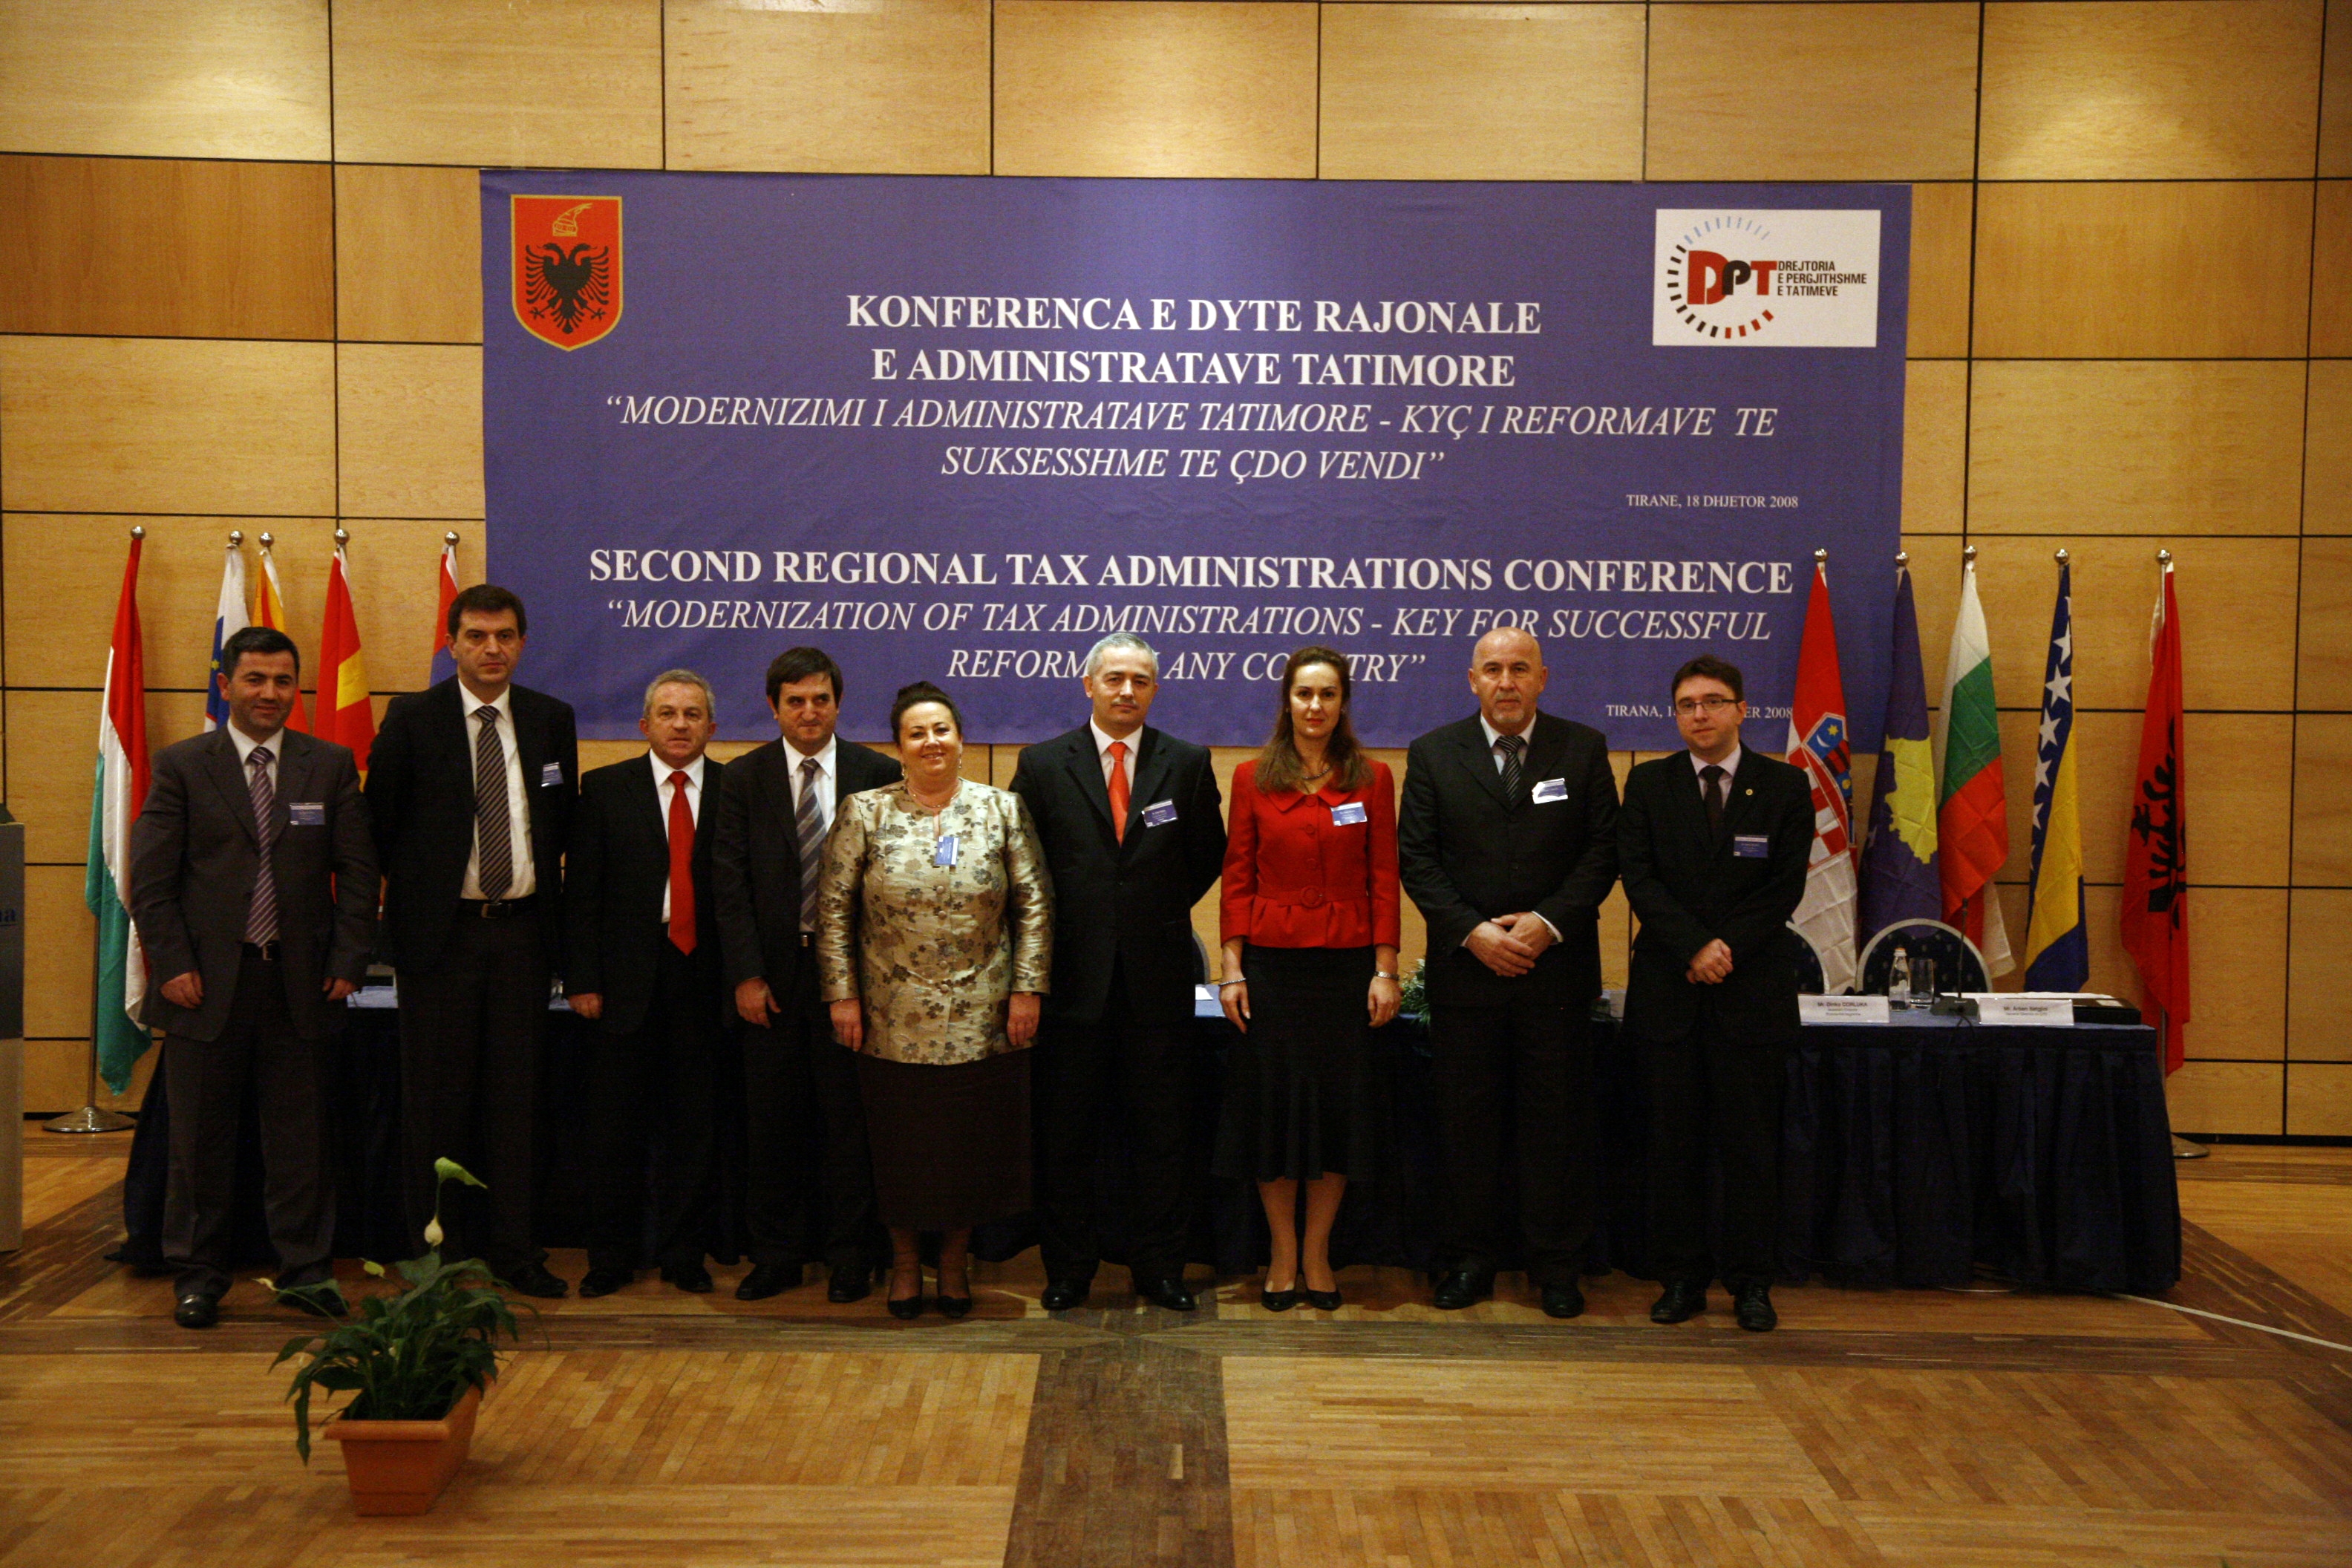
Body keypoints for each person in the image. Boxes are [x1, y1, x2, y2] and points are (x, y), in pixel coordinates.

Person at [128, 626, 378, 1329]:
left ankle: (306, 1272)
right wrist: (173, 964)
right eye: (256, 679)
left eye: (283, 681)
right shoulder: (183, 765)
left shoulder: (329, 766)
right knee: (199, 1144)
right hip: (204, 987)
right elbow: (152, 882)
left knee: (301, 1144)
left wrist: (348, 961)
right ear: (227, 685)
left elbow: (359, 874)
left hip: (299, 985)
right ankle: (198, 1277)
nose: (270, 693)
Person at [1398, 626, 1618, 1319]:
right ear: (1473, 681)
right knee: (1467, 1127)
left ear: (1542, 678)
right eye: (1492, 669)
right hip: (1468, 976)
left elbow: (1602, 851)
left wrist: (1546, 923)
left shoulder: (1582, 749)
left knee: (1556, 1125)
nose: (1506, 681)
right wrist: (1474, 932)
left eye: (1520, 668)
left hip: (1555, 974)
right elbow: (1418, 860)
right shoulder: (1434, 753)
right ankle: (1470, 1261)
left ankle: (1556, 1266)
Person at [815, 682, 1051, 1319]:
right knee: (902, 1151)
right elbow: (832, 912)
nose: (931, 742)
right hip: (890, 1017)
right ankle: (903, 1265)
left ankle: (953, 1263)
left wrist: (1027, 988)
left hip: (983, 1015)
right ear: (898, 747)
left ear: (961, 739)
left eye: (941, 729)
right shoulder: (865, 812)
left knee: (967, 1149)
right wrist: (842, 997)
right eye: (916, 733)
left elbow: (1034, 906)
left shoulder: (1001, 809)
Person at [367, 584, 577, 1298]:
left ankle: (516, 1251)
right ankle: (438, 1255)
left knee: (517, 1104)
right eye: (478, 636)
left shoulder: (551, 719)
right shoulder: (412, 718)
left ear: (522, 644)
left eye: (505, 636)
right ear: (452, 644)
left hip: (523, 938)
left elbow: (556, 828)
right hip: (441, 942)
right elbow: (378, 828)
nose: (492, 649)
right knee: (437, 1106)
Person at [1010, 632, 1226, 1313]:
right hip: (1071, 982)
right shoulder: (1044, 764)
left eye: (1140, 680)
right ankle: (1069, 1269)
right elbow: (1022, 865)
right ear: (1089, 685)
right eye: (1114, 679)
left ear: (1155, 690)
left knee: (1162, 1135)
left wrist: (1146, 914)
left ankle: (1159, 1268)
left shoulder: (1186, 763)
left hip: (1157, 983)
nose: (1127, 691)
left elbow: (1205, 856)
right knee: (1067, 1135)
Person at [1617, 653, 1811, 1332]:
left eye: (1713, 702)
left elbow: (1785, 885)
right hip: (1670, 994)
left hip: (1750, 994)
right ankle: (1681, 1279)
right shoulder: (1649, 784)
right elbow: (1638, 878)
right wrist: (1693, 946)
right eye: (1687, 705)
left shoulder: (1785, 785)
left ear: (1741, 710)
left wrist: (1726, 947)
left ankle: (1752, 1283)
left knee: (1751, 1148)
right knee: (1673, 1147)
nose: (1699, 714)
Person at [711, 647, 902, 1303]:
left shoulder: (879, 773)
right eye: (796, 701)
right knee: (773, 1123)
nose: (810, 712)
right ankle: (778, 1256)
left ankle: (852, 1256)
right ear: (774, 707)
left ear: (838, 704)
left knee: (849, 1123)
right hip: (774, 973)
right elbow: (729, 887)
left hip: (854, 976)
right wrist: (746, 975)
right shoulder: (744, 778)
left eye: (821, 699)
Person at [1216, 647, 1401, 1312]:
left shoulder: (1373, 778)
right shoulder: (1251, 777)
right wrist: (1231, 968)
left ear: (1343, 702)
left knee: (1335, 1116)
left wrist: (1386, 969)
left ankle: (1318, 1253)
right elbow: (1238, 876)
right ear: (1287, 701)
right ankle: (1282, 1253)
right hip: (1272, 968)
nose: (1315, 706)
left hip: (1346, 970)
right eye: (1304, 694)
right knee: (1274, 1116)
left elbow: (1385, 876)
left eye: (1327, 694)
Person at [563, 671, 727, 1297]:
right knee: (614, 1129)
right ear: (645, 725)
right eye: (667, 713)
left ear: (712, 726)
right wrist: (582, 979)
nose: (680, 724)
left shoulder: (735, 790)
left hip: (704, 976)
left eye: (692, 714)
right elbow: (583, 893)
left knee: (695, 1126)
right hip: (622, 981)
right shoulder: (606, 789)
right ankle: (612, 1257)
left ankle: (685, 1254)